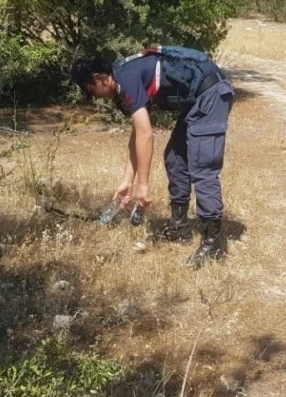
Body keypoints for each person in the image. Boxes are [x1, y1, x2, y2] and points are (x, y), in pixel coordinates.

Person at [72, 46, 235, 267]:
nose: (95, 98)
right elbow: (137, 135)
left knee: (202, 167)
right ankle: (180, 227)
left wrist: (143, 186)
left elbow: (146, 134)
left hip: (211, 93)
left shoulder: (126, 78)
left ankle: (212, 243)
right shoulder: (124, 77)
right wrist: (127, 182)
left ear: (98, 78)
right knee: (175, 158)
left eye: (91, 91)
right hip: (194, 99)